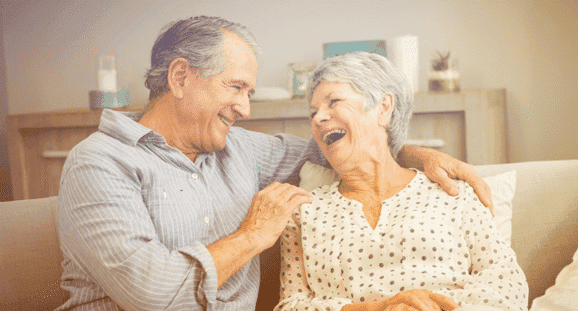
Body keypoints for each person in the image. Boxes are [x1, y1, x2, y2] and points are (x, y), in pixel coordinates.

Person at [56, 16, 493, 310]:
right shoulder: (99, 163)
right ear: (180, 77)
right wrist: (250, 236)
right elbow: (150, 293)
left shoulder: (239, 149)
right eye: (237, 87)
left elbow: (345, 146)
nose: (245, 108)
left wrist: (417, 153)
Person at [275, 52, 528, 311]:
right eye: (313, 112)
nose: (318, 118)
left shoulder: (453, 193)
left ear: (383, 108)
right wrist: (380, 309)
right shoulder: (303, 212)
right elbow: (290, 306)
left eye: (333, 102)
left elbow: (506, 284)